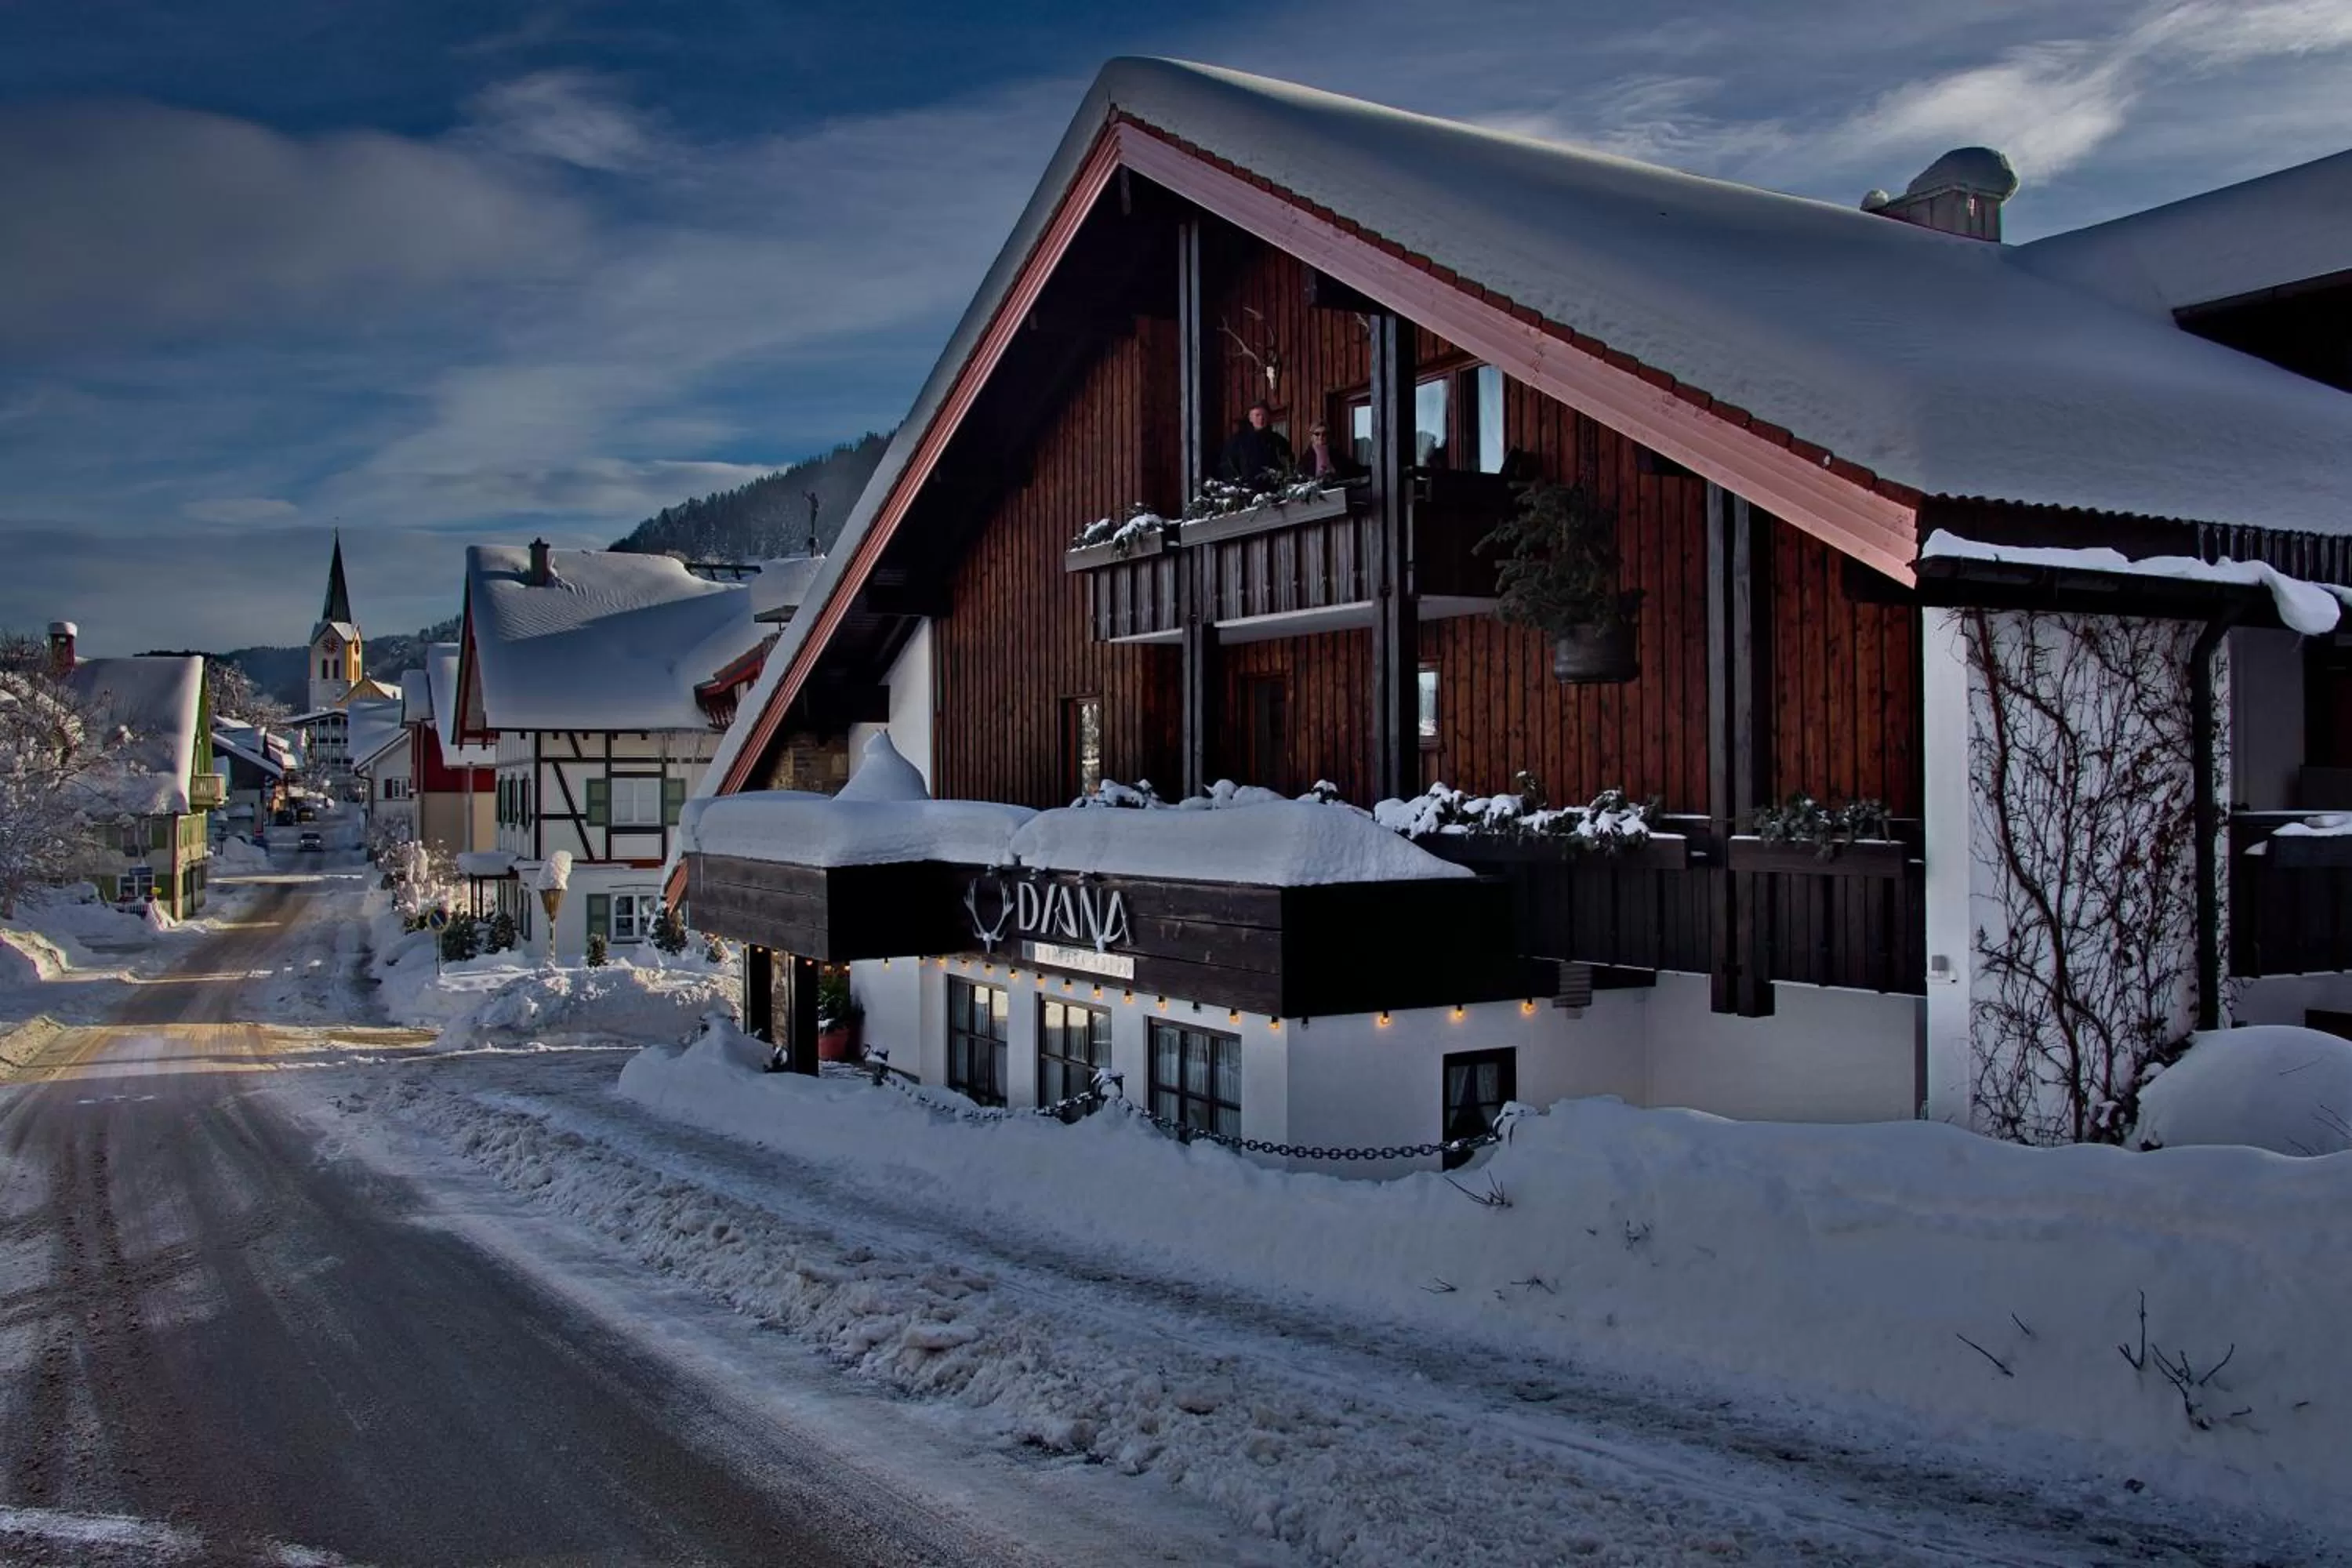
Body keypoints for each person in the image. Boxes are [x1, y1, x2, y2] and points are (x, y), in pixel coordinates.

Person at [1217, 399, 1294, 486]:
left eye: (1264, 415)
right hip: (1245, 492)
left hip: (1273, 492)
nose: (1261, 419)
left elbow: (1288, 466)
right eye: (1257, 415)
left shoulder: (1279, 442)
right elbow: (1228, 467)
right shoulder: (1237, 442)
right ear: (1250, 418)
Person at [1298, 418, 1352, 482]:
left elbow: (1352, 470)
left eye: (1324, 434)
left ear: (1328, 436)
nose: (1321, 437)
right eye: (1317, 434)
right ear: (1312, 437)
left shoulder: (1337, 454)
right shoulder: (1305, 459)